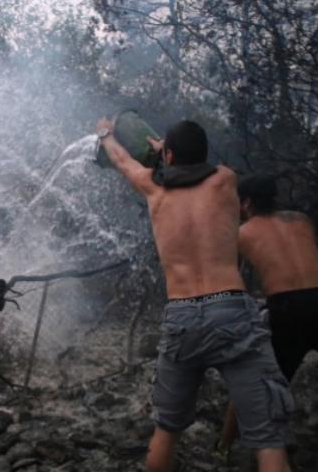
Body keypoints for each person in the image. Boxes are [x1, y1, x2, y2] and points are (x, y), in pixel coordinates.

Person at [96, 118, 293, 472]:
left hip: (182, 315)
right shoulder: (225, 179)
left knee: (167, 431)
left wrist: (106, 133)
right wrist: (166, 151)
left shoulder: (152, 189)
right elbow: (194, 167)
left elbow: (122, 160)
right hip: (231, 309)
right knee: (268, 439)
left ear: (168, 154)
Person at [216, 174, 318, 455]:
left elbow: (234, 285)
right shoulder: (302, 220)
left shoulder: (241, 233)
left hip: (288, 309)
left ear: (247, 202)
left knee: (251, 379)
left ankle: (222, 448)